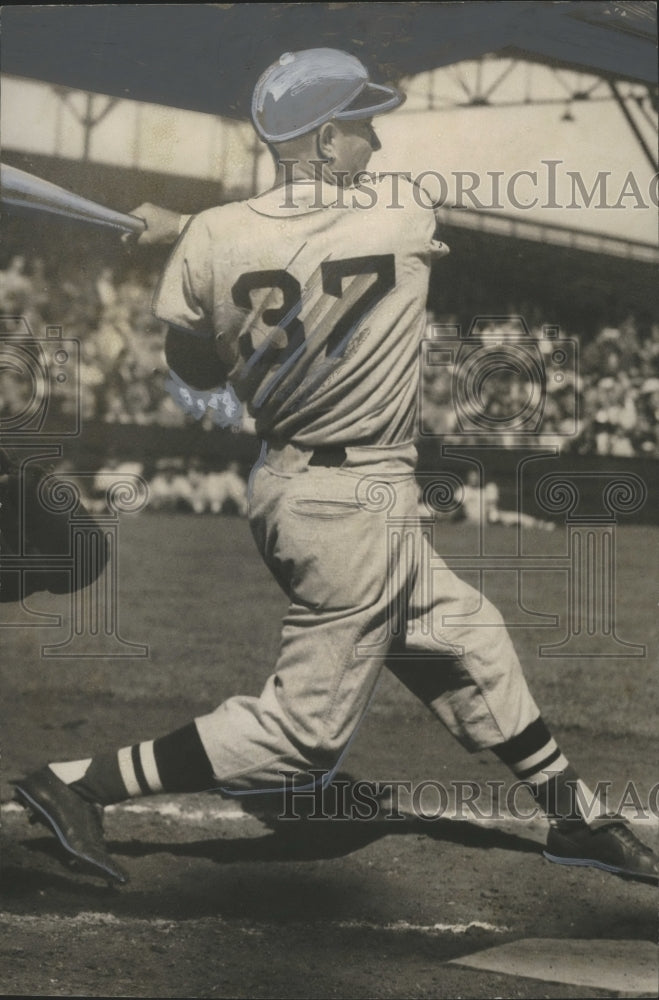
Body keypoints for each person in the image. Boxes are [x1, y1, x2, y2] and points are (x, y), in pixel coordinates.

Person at [14, 48, 657, 887]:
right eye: (357, 127)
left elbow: (200, 369)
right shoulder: (401, 214)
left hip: (291, 490)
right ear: (318, 140)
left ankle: (574, 820)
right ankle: (78, 785)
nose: (375, 145)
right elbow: (319, 235)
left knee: (469, 637)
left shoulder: (212, 240)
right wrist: (202, 225)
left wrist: (185, 235)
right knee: (305, 735)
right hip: (355, 506)